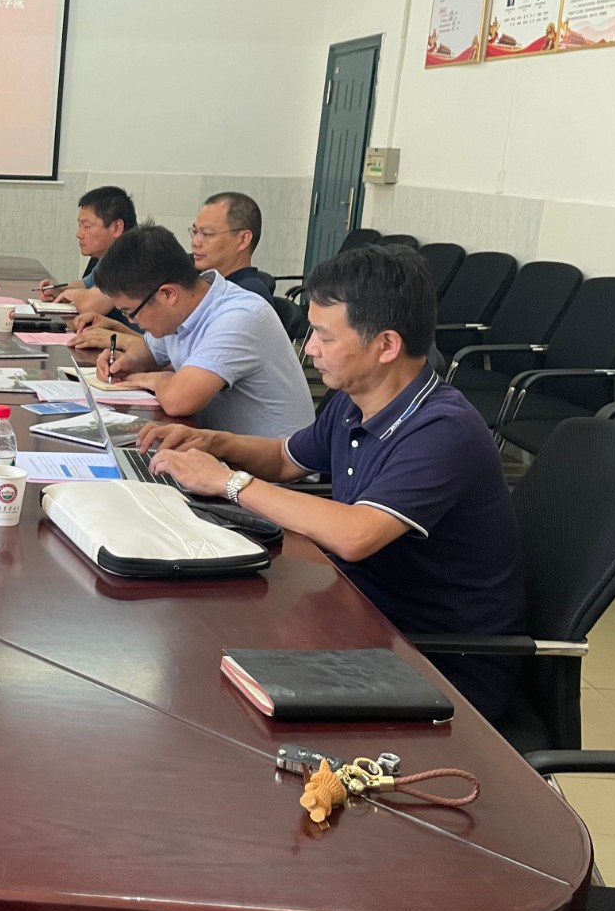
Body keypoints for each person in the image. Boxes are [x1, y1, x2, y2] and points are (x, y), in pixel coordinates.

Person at [138, 245, 526, 721]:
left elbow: (356, 534)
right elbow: (285, 459)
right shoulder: (353, 400)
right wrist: (213, 441)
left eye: (324, 336)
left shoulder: (443, 429)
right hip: (360, 613)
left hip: (437, 660)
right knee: (201, 641)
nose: (310, 349)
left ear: (386, 345)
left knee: (215, 695)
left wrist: (228, 482)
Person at [93, 225, 314, 437]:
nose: (132, 320)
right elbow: (149, 351)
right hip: (215, 444)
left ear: (168, 294)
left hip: (270, 460)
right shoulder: (181, 311)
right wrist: (124, 362)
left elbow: (178, 401)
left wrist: (152, 379)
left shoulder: (239, 317)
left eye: (131, 312)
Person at [38, 186, 137, 321]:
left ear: (116, 227)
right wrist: (58, 290)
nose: (79, 234)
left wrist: (74, 295)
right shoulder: (111, 255)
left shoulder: (132, 255)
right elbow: (85, 284)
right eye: (80, 226)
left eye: (87, 226)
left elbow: (90, 305)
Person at [190, 191, 273, 299]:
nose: (195, 242)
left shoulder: (246, 298)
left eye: (207, 233)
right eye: (195, 232)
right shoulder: (213, 287)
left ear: (243, 240)